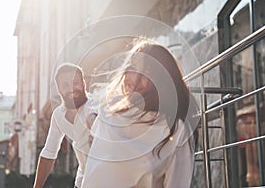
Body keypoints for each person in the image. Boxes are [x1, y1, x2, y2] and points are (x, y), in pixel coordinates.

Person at [82, 39, 199, 188]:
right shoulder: (112, 112)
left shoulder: (174, 129)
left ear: (161, 79)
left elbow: (178, 182)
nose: (132, 77)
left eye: (144, 72)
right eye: (130, 68)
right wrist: (92, 118)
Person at [33, 63, 96, 188]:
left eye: (75, 83)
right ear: (59, 89)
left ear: (84, 83)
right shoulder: (58, 115)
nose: (71, 88)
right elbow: (49, 153)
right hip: (83, 181)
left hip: (110, 178)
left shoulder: (96, 104)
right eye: (65, 85)